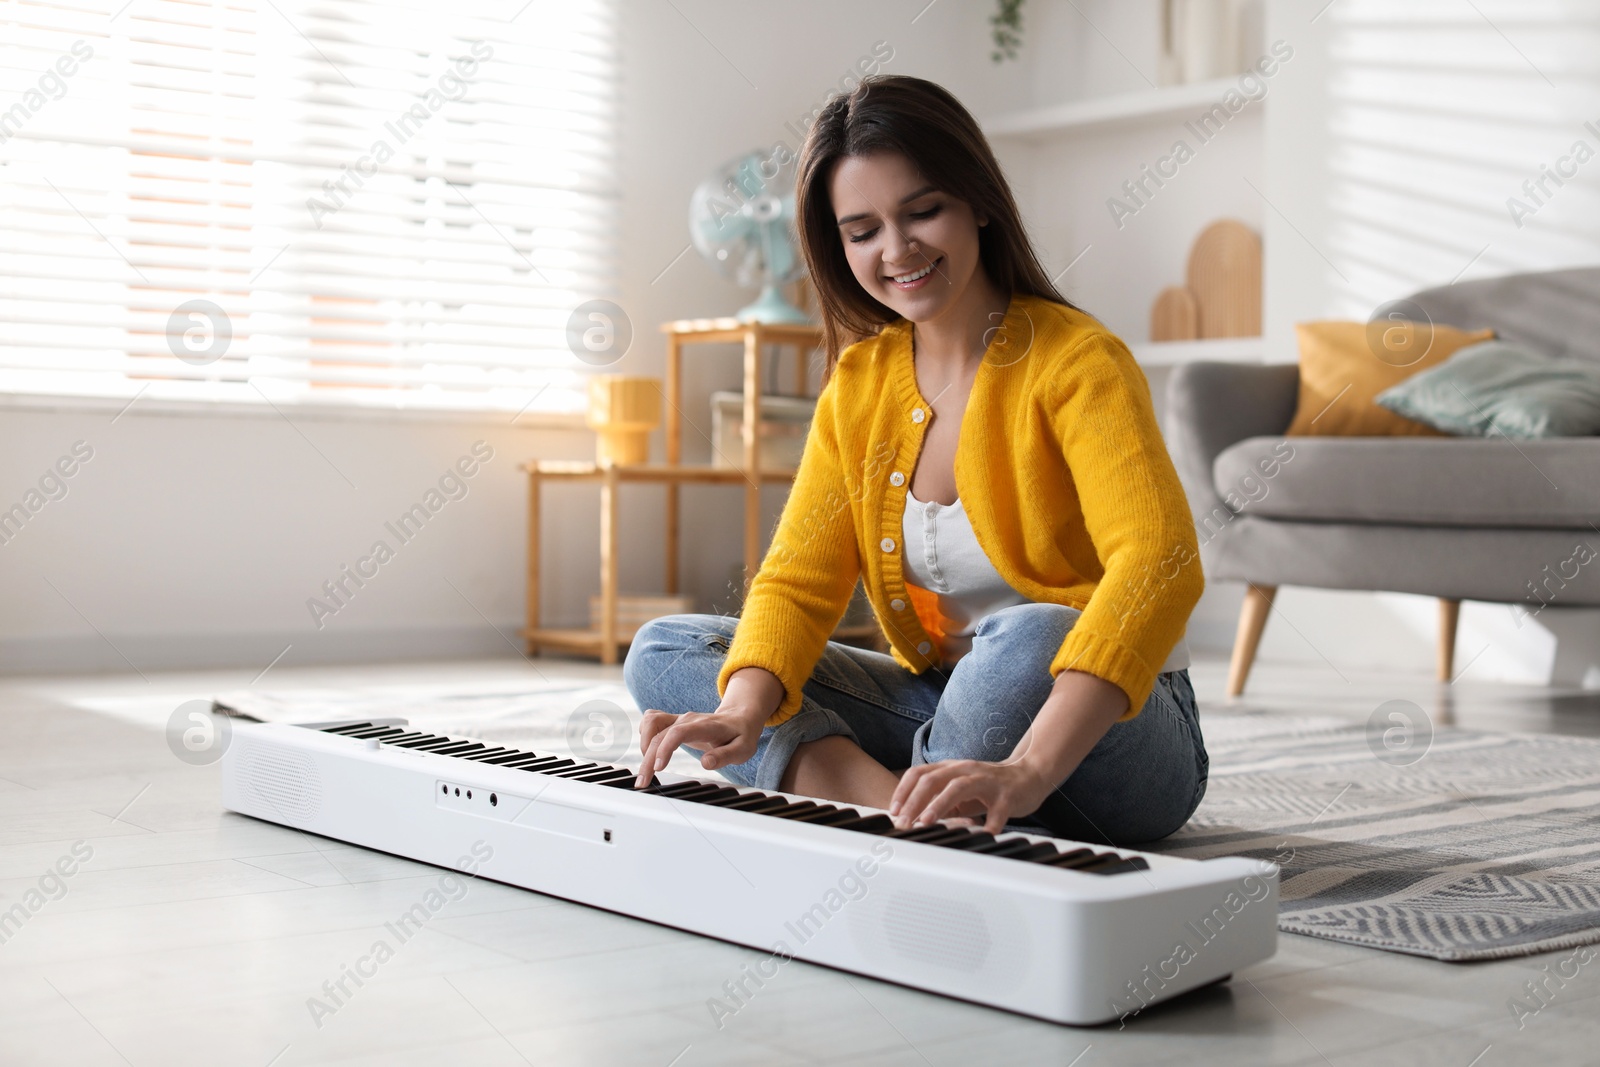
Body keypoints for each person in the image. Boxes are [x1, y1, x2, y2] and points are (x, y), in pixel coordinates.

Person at [623, 74, 1207, 845]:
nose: (897, 249)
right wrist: (741, 713)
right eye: (862, 230)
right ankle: (901, 804)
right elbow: (797, 584)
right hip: (944, 715)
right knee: (668, 650)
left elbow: (1160, 562)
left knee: (1034, 636)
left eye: (923, 211)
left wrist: (1028, 767)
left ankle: (944, 796)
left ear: (979, 203)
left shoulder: (1078, 362)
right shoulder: (858, 389)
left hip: (1108, 740)